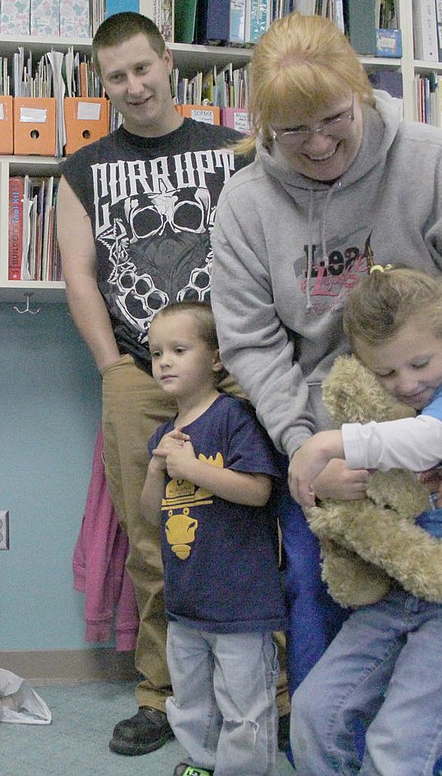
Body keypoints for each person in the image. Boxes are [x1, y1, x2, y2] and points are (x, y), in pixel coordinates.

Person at [209, 13, 442, 708]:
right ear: (264, 125)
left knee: (439, 615)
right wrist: (308, 448)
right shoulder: (244, 205)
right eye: (292, 131)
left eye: (332, 118)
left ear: (361, 93)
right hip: (322, 443)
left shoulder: (435, 163)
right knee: (321, 595)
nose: (318, 144)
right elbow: (253, 345)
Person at [56, 11, 254, 756]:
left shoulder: (231, 152)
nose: (133, 86)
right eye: (116, 76)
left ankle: (270, 690)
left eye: (143, 68)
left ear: (168, 62)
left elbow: (260, 251)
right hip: (137, 369)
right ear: (101, 84)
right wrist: (112, 366)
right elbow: (78, 273)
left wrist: (249, 352)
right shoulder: (83, 167)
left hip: (233, 371)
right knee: (154, 537)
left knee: (249, 527)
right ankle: (162, 695)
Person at [287, 266, 442, 773]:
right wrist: (335, 476)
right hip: (400, 584)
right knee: (313, 711)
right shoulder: (384, 407)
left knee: (400, 740)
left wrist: (329, 442)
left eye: (419, 364)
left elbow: (432, 440)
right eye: (386, 373)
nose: (407, 384)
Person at [141, 301, 287, 776]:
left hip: (240, 602)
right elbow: (150, 515)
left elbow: (259, 491)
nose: (164, 361)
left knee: (245, 705)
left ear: (216, 358)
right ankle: (203, 765)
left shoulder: (234, 417)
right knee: (190, 701)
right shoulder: (166, 433)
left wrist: (193, 469)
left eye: (179, 349)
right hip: (187, 601)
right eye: (157, 352)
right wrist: (157, 467)